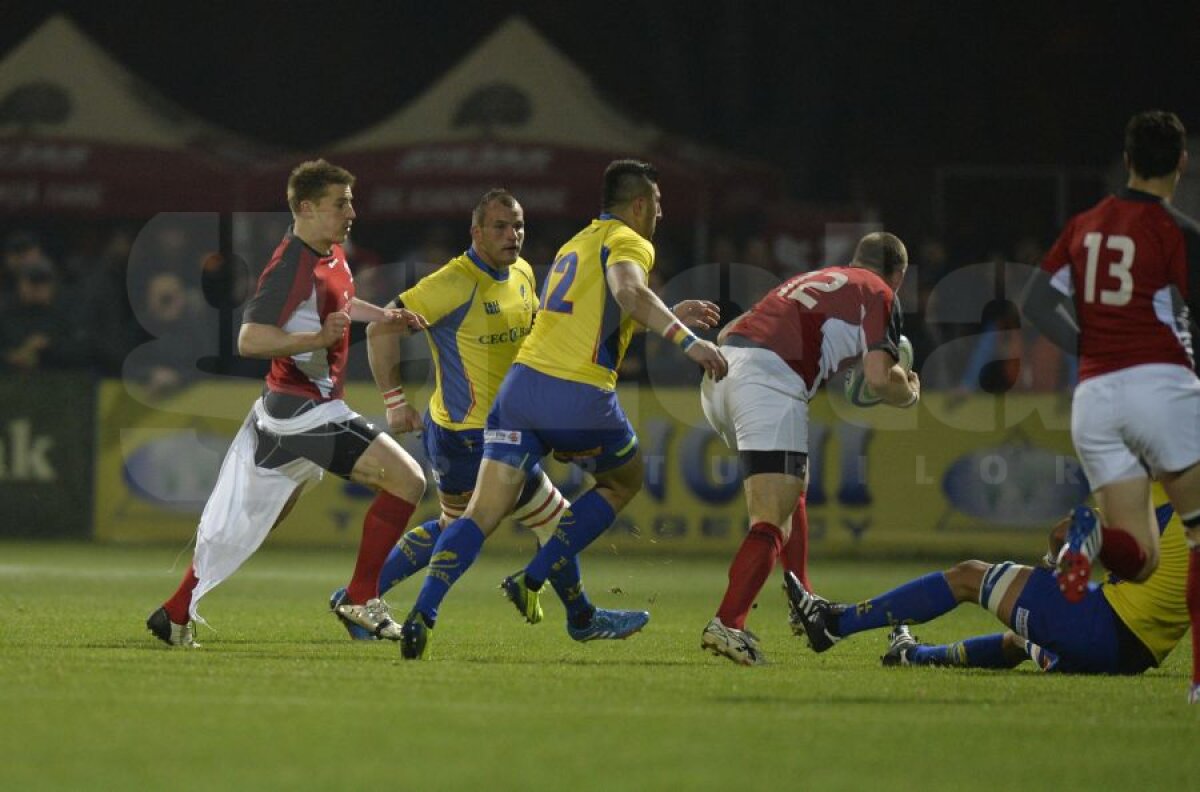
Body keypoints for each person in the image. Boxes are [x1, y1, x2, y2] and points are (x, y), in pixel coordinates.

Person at [395, 159, 728, 659]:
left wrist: (658, 317)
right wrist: (687, 340)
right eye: (657, 204)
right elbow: (629, 291)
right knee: (623, 480)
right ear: (639, 205)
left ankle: (423, 612)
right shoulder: (632, 240)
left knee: (477, 515)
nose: (660, 214)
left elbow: (594, 316)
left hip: (519, 391)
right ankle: (532, 578)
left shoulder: (578, 242)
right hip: (576, 394)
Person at [341, 188, 649, 646]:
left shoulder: (523, 273)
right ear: (477, 232)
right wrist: (393, 400)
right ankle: (581, 618)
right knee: (550, 518)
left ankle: (356, 596)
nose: (514, 235)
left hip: (504, 428)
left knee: (457, 525)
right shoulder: (455, 280)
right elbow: (383, 324)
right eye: (501, 227)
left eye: (519, 225)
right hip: (468, 434)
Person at [145, 159, 428, 647]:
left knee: (255, 518)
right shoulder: (290, 266)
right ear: (306, 208)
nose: (351, 212)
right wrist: (316, 339)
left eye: (351, 202)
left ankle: (173, 613)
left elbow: (339, 304)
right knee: (408, 480)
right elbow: (249, 339)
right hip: (302, 411)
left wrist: (384, 315)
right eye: (341, 204)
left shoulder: (332, 253)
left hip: (289, 413)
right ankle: (360, 597)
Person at [1020, 110, 1200, 700]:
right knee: (1197, 537)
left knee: (1142, 559)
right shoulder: (1178, 233)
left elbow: (1038, 300)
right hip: (1161, 388)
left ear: (1126, 160)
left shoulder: (1085, 224)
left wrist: (1088, 343)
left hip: (1095, 398)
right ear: (1181, 162)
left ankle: (1088, 540)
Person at [698, 232, 920, 665]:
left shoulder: (818, 277)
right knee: (771, 520)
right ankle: (728, 624)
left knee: (796, 483)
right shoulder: (881, 293)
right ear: (899, 275)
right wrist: (909, 390)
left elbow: (730, 329)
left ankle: (804, 598)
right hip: (768, 381)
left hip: (720, 376)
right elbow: (878, 378)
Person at [786, 502, 1189, 676]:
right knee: (1018, 640)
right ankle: (913, 656)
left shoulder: (1151, 484)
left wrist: (1055, 564)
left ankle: (834, 624)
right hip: (1135, 655)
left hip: (1099, 627)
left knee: (968, 576)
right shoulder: (1183, 492)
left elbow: (1067, 531)